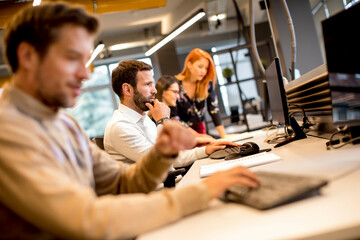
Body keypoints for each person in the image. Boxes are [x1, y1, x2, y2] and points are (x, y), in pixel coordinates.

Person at [0, 3, 260, 239]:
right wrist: (201, 193)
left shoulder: (63, 124)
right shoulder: (7, 130)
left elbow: (122, 184)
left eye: (85, 61)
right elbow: (86, 219)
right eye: (72, 58)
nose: (84, 75)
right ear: (28, 57)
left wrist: (162, 153)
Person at [104, 60, 237, 168]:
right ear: (127, 89)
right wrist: (163, 121)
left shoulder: (143, 120)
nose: (154, 90)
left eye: (153, 84)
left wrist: (206, 150)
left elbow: (175, 158)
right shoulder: (120, 127)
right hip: (156, 194)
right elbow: (162, 161)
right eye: (147, 85)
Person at [174, 48, 227, 138]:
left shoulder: (207, 85)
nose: (204, 71)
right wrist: (199, 137)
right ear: (189, 65)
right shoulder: (175, 86)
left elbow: (214, 109)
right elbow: (174, 118)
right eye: (200, 67)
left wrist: (223, 135)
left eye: (206, 68)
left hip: (201, 132)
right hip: (181, 135)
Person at [155, 74, 215, 144]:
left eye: (178, 92)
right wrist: (203, 139)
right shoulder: (158, 115)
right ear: (163, 91)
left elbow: (184, 128)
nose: (177, 97)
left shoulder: (171, 110)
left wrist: (203, 137)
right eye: (174, 92)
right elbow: (176, 140)